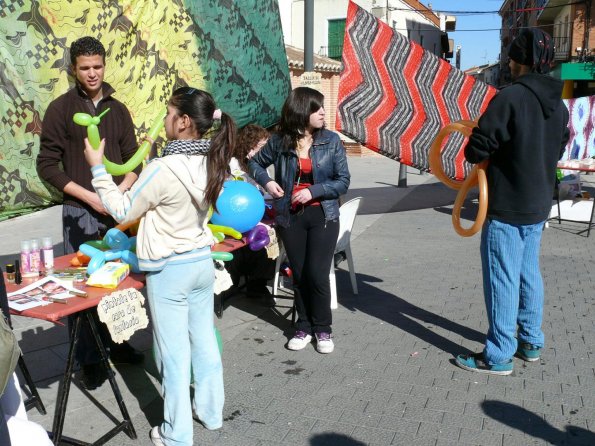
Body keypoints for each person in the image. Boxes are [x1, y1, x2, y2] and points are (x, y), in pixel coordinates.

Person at [83, 87, 234, 446]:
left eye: (168, 114)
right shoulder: (214, 161)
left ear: (183, 122)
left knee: (173, 353)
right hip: (200, 262)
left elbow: (121, 211)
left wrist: (98, 169)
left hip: (169, 271)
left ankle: (176, 434)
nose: (164, 120)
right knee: (203, 342)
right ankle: (211, 414)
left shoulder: (162, 168)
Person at [455, 29, 569, 375]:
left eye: (511, 56)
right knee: (527, 272)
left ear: (519, 61)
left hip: (506, 205)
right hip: (538, 204)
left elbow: (477, 148)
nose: (508, 61)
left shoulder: (510, 97)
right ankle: (531, 341)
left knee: (502, 278)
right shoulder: (559, 105)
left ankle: (499, 355)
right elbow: (558, 148)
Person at [36, 36, 144, 390]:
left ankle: (119, 341)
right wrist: (90, 197)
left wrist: (118, 195)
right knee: (84, 287)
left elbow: (133, 160)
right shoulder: (60, 109)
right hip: (79, 212)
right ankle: (89, 358)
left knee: (118, 282)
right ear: (74, 69)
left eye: (97, 66)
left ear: (104, 64)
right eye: (85, 68)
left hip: (118, 212)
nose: (92, 73)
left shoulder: (120, 109)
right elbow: (48, 166)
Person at [248, 87, 350, 354]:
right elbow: (255, 164)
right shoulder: (280, 141)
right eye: (316, 108)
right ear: (301, 111)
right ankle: (303, 327)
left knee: (317, 274)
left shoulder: (331, 141)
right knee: (300, 274)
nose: (322, 113)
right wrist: (268, 183)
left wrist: (313, 191)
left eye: (321, 108)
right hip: (289, 216)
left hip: (323, 214)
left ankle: (323, 329)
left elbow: (343, 181)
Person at [226, 124, 276, 303]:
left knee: (271, 236)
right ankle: (232, 282)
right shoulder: (233, 164)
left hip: (256, 216)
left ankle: (258, 283)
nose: (265, 151)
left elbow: (266, 189)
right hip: (235, 218)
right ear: (249, 145)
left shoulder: (260, 165)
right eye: (262, 147)